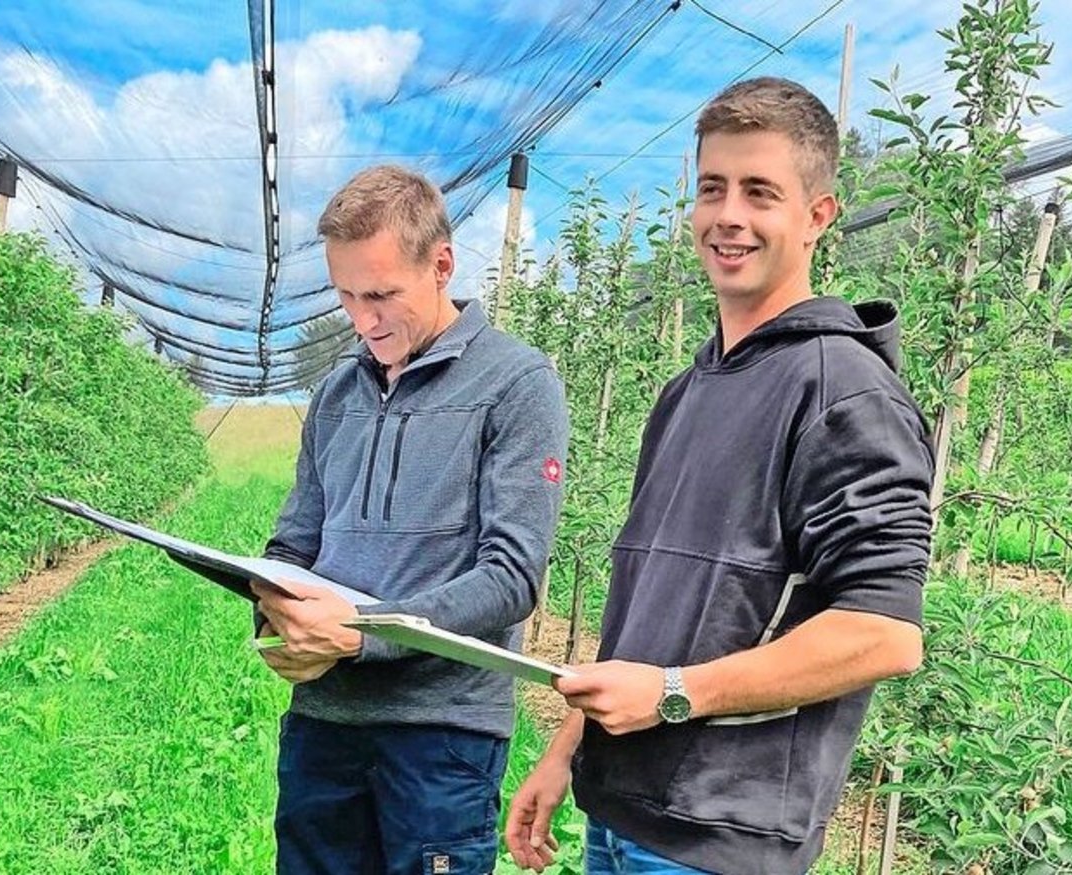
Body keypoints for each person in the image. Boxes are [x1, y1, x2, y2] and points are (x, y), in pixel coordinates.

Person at [505, 77, 934, 875]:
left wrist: (673, 692)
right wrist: (568, 748)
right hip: (621, 809)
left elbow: (884, 633)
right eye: (712, 188)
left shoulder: (845, 391)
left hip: (718, 840)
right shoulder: (686, 392)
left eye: (760, 191)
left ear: (817, 217)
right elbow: (646, 616)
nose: (728, 215)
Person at [252, 165, 569, 875]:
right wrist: (276, 617)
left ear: (442, 267)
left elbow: (513, 576)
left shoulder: (517, 385)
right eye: (346, 296)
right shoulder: (338, 391)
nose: (363, 320)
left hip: (441, 734)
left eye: (382, 295)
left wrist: (363, 635)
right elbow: (294, 540)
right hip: (323, 725)